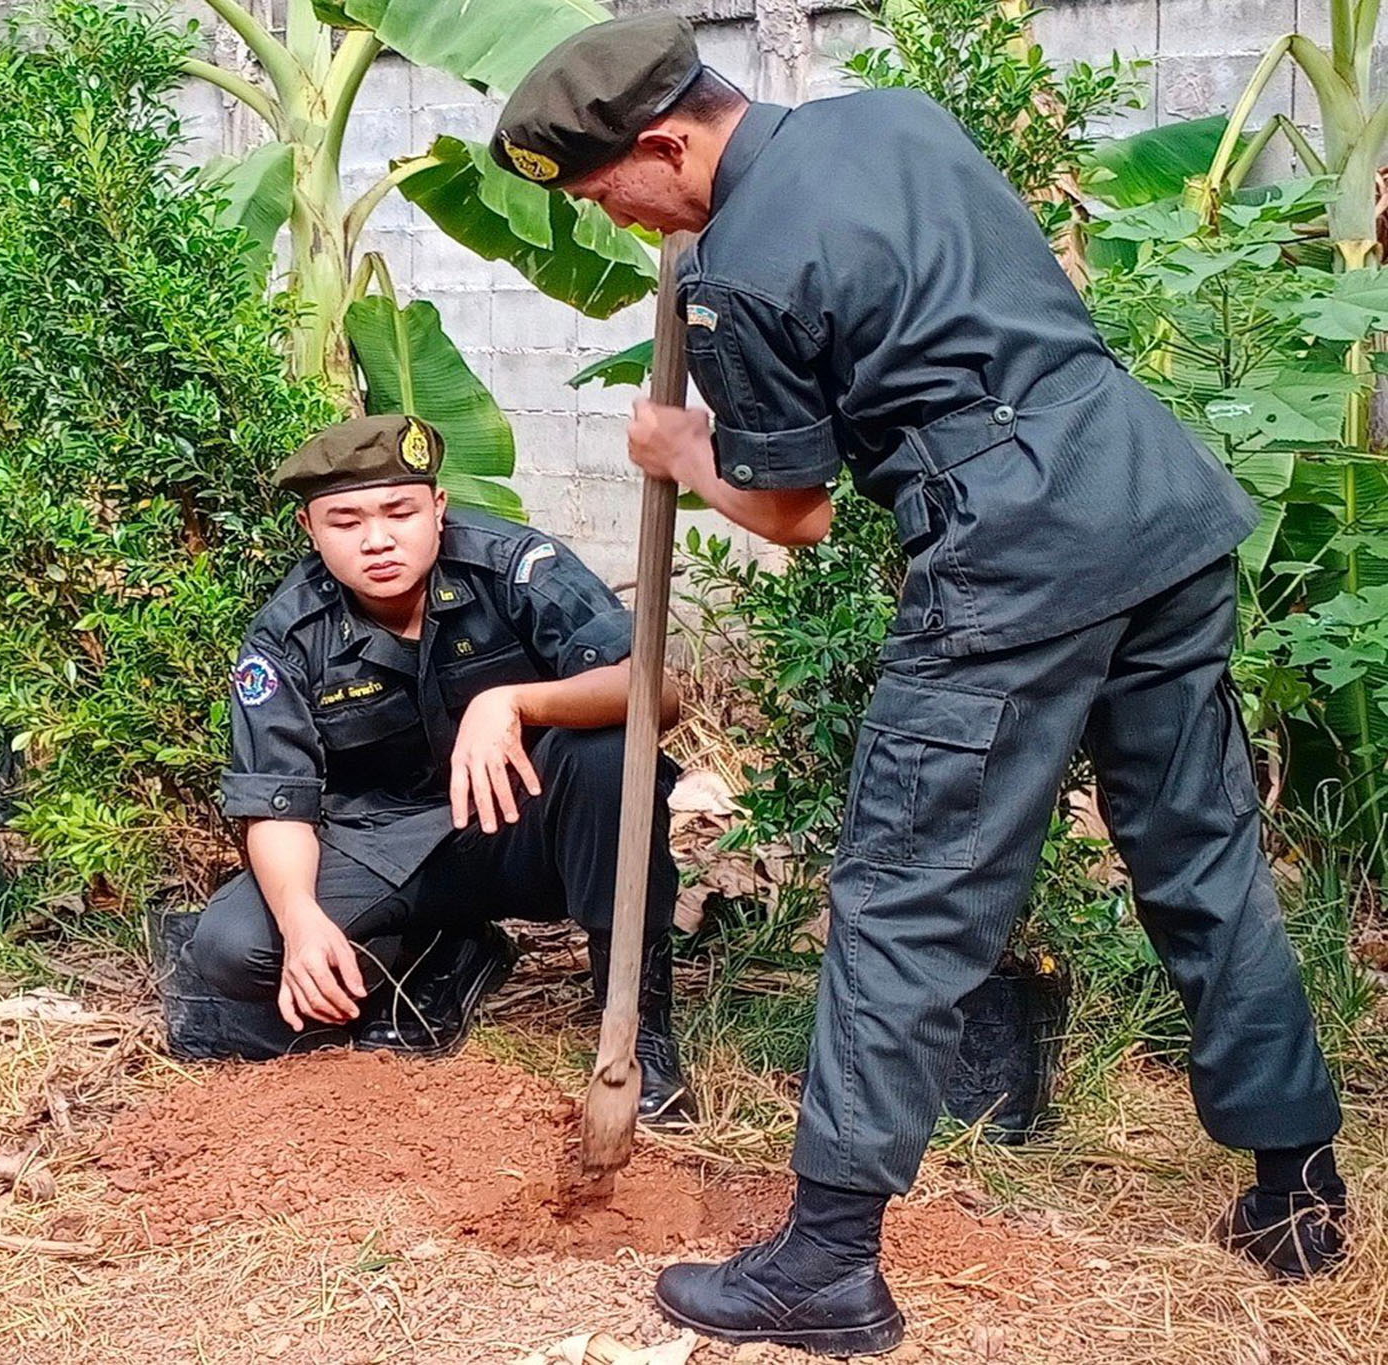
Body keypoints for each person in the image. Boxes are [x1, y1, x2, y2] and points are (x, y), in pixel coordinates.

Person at [491, 13, 1347, 1355]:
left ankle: (827, 1266)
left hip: (1015, 555)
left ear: (664, 141)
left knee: (905, 888)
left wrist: (680, 449)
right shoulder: (888, 116)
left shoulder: (744, 274)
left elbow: (795, 515)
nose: (619, 221)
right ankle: (1299, 1190)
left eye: (611, 194)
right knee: (1200, 851)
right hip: (1151, 496)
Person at [185, 413, 694, 1123]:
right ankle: (448, 951)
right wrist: (302, 921)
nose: (377, 538)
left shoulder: (511, 567)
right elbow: (278, 804)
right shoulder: (289, 631)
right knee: (235, 949)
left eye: (399, 510)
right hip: (386, 847)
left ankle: (641, 1038)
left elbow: (657, 693)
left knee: (611, 754)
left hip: (523, 824)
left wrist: (514, 701)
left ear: (438, 508)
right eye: (346, 520)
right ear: (310, 530)